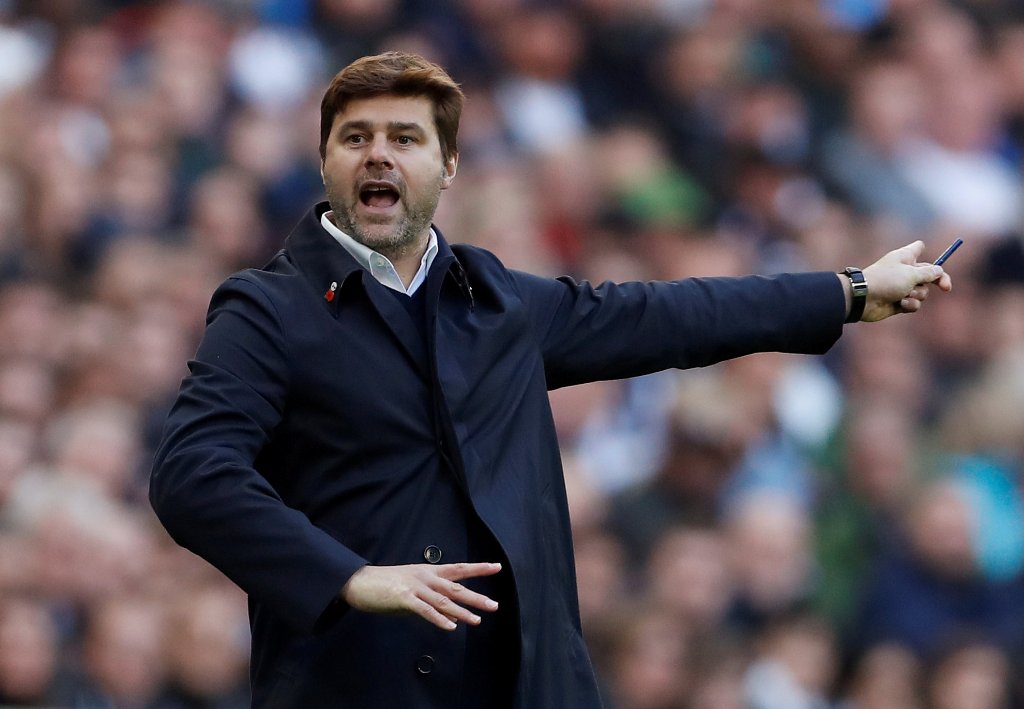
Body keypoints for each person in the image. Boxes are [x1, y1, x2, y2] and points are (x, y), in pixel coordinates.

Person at [148, 51, 953, 709]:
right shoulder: (267, 309)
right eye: (355, 137)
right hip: (353, 685)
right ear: (325, 160)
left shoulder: (496, 300)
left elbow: (675, 316)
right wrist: (347, 575)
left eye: (406, 136)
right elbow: (191, 474)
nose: (379, 154)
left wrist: (845, 291)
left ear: (449, 163)